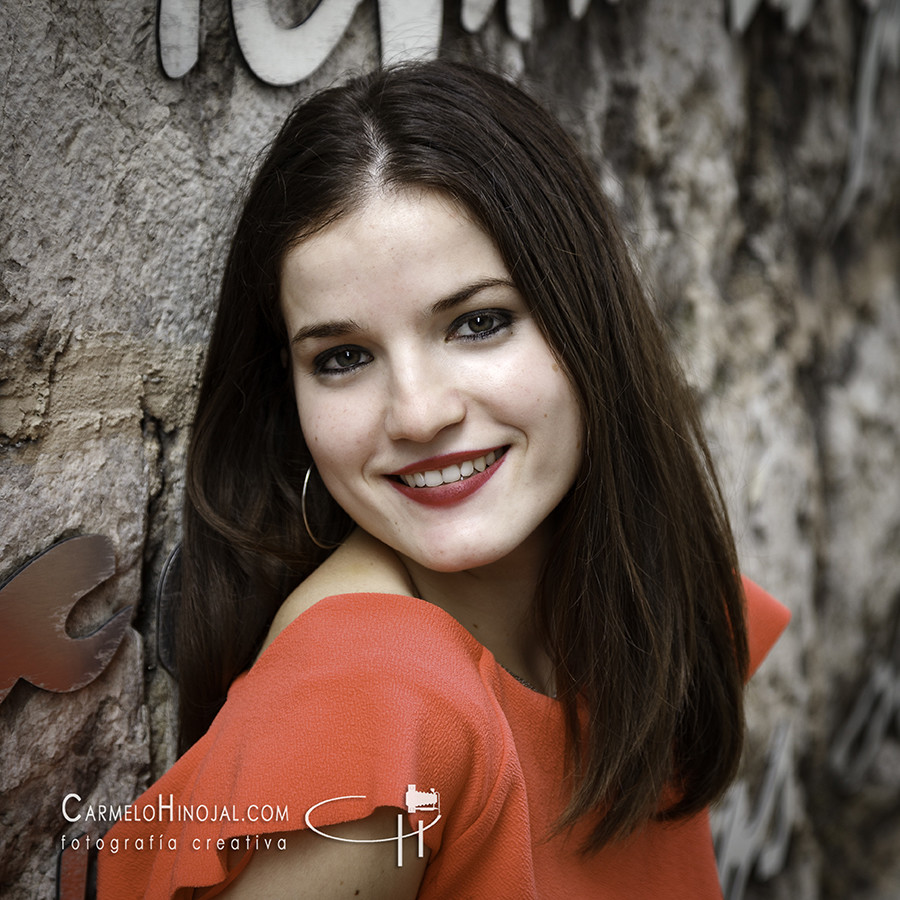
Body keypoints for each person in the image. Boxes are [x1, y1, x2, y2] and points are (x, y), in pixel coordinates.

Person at [97, 60, 790, 899]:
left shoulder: (649, 599)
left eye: (478, 322)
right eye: (343, 358)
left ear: (587, 325)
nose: (418, 415)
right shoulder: (374, 702)